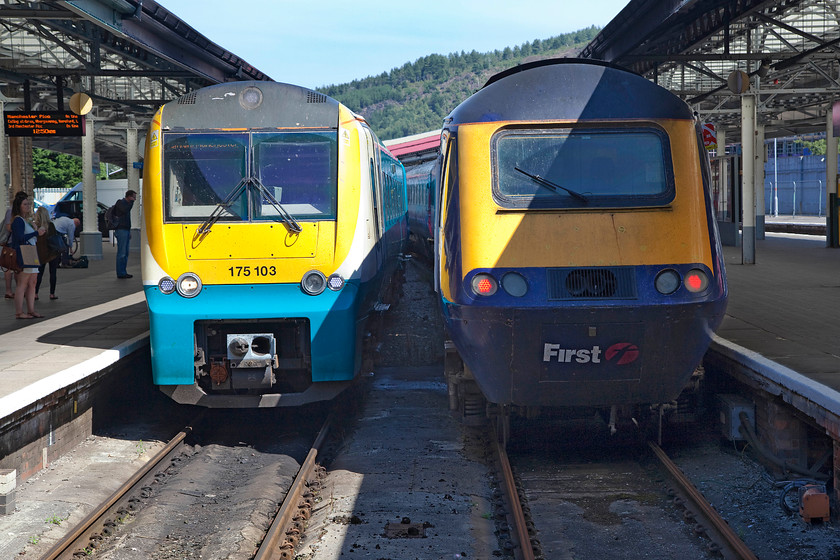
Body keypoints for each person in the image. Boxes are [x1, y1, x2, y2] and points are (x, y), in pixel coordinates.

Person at [10, 194, 45, 319]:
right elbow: (20, 238)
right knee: (23, 283)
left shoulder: (26, 221)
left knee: (32, 282)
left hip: (31, 251)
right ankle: (19, 312)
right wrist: (36, 232)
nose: (27, 206)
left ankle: (31, 309)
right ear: (18, 206)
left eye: (28, 204)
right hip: (25, 252)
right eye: (24, 204)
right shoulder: (18, 220)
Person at [33, 206, 61, 301]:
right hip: (52, 251)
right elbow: (54, 238)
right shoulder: (50, 225)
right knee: (53, 273)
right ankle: (52, 294)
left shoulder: (34, 226)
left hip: (40, 252)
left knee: (39, 273)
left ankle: (35, 293)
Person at [3, 191, 27, 299]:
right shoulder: (10, 211)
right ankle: (9, 290)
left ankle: (19, 289)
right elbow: (8, 227)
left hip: (19, 241)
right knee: (9, 266)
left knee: (17, 266)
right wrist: (18, 230)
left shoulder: (21, 213)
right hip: (11, 242)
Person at [113, 189, 136, 279]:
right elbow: (124, 210)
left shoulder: (127, 204)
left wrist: (129, 231)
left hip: (125, 229)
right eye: (133, 197)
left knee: (125, 252)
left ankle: (123, 271)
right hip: (121, 229)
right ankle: (120, 272)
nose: (135, 199)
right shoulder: (121, 203)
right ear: (129, 196)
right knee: (122, 252)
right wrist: (131, 203)